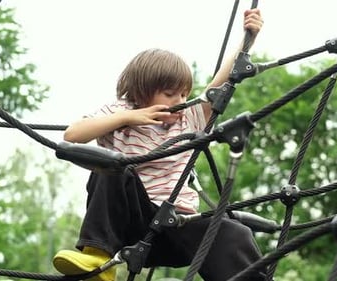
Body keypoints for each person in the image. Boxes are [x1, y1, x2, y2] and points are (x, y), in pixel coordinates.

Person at [52, 8, 265, 281]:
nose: (179, 99)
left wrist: (249, 39)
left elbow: (222, 82)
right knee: (110, 167)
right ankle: (98, 259)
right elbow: (72, 135)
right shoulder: (119, 112)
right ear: (141, 91)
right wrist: (129, 118)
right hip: (133, 227)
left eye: (184, 93)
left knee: (234, 231)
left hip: (177, 227)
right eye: (169, 93)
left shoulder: (189, 118)